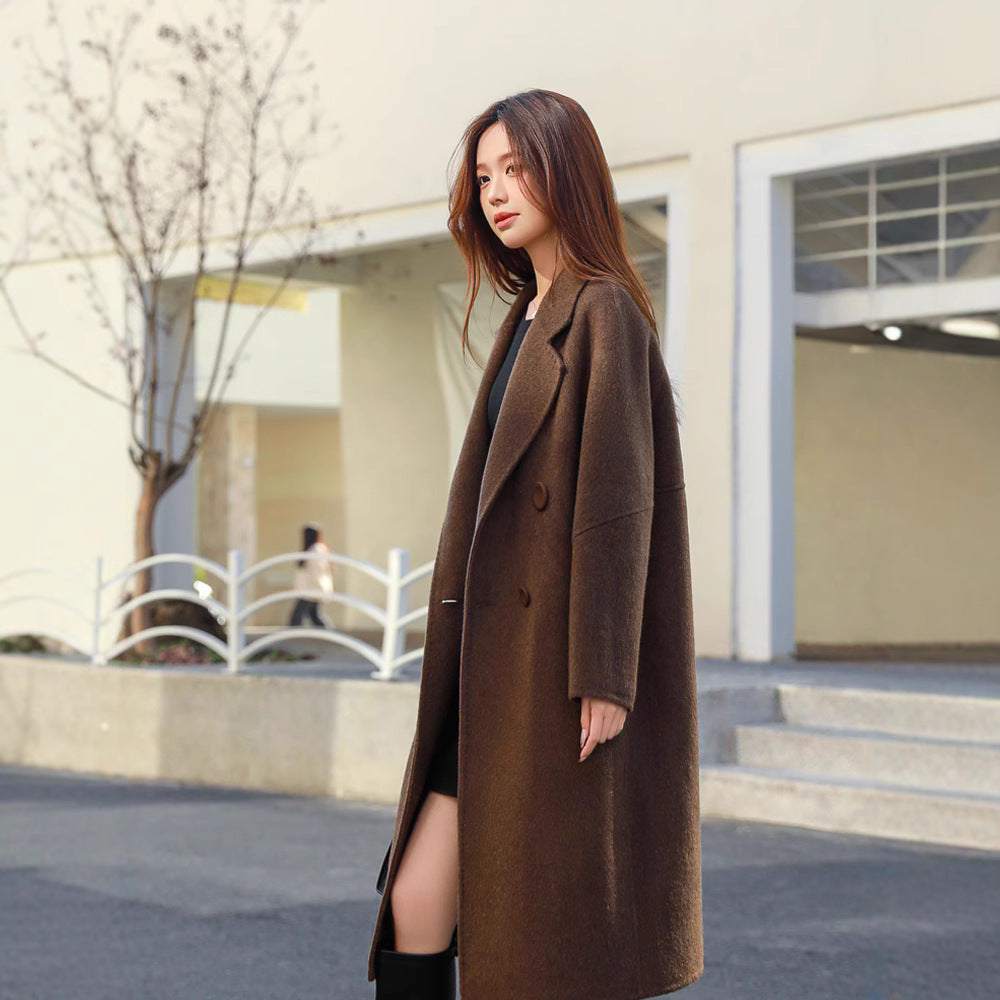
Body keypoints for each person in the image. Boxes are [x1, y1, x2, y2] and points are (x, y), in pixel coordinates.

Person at [368, 90, 703, 1000]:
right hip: (490, 660)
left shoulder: (605, 312)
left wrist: (605, 671)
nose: (496, 193)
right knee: (416, 901)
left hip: (550, 662)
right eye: (484, 176)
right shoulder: (527, 312)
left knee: (544, 930)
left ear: (568, 170)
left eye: (516, 168)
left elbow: (617, 504)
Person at [288, 523, 333, 627]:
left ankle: (291, 634)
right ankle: (329, 632)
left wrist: (315, 588)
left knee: (297, 616)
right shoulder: (311, 549)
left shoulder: (316, 550)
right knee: (314, 615)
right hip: (309, 588)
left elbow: (317, 571)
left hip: (311, 588)